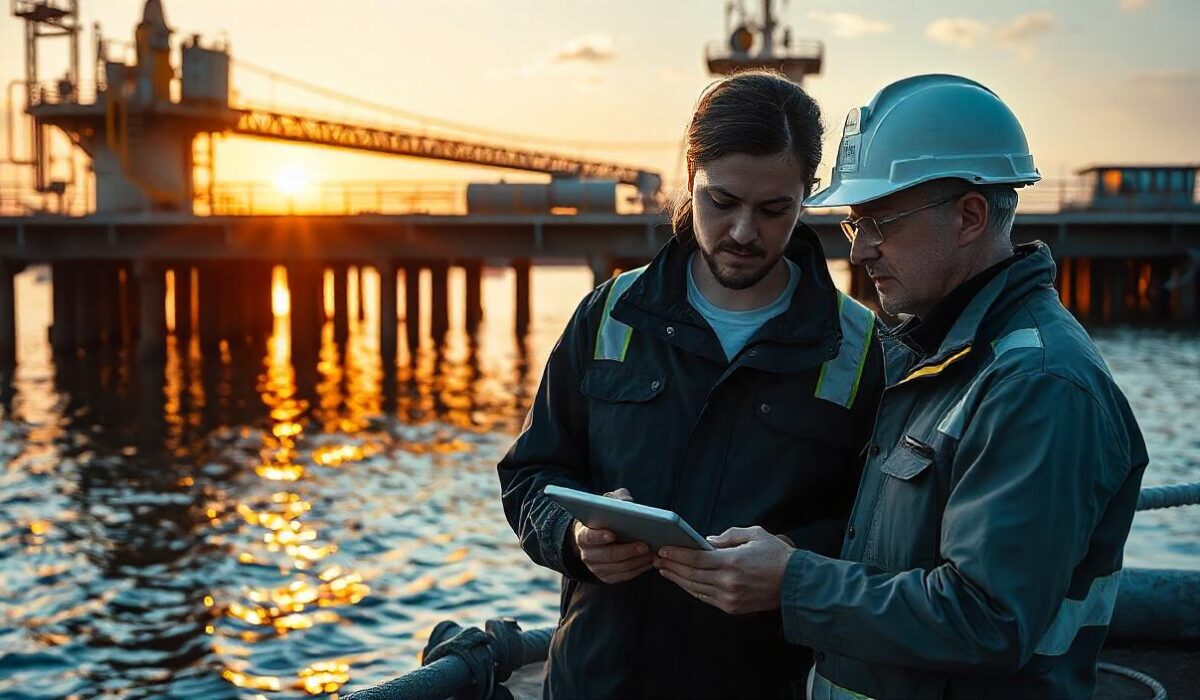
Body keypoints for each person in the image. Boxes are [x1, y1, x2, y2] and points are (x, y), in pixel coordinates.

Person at [656, 74, 1149, 699]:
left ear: (970, 216)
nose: (860, 253)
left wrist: (792, 581)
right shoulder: (940, 358)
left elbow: (987, 620)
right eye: (854, 225)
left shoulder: (1039, 386)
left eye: (880, 222)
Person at [497, 70, 884, 698]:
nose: (742, 233)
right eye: (721, 202)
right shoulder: (608, 313)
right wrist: (574, 539)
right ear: (690, 175)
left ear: (808, 194)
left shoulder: (860, 349)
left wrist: (792, 566)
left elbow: (883, 530)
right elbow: (529, 475)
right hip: (590, 683)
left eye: (774, 209)